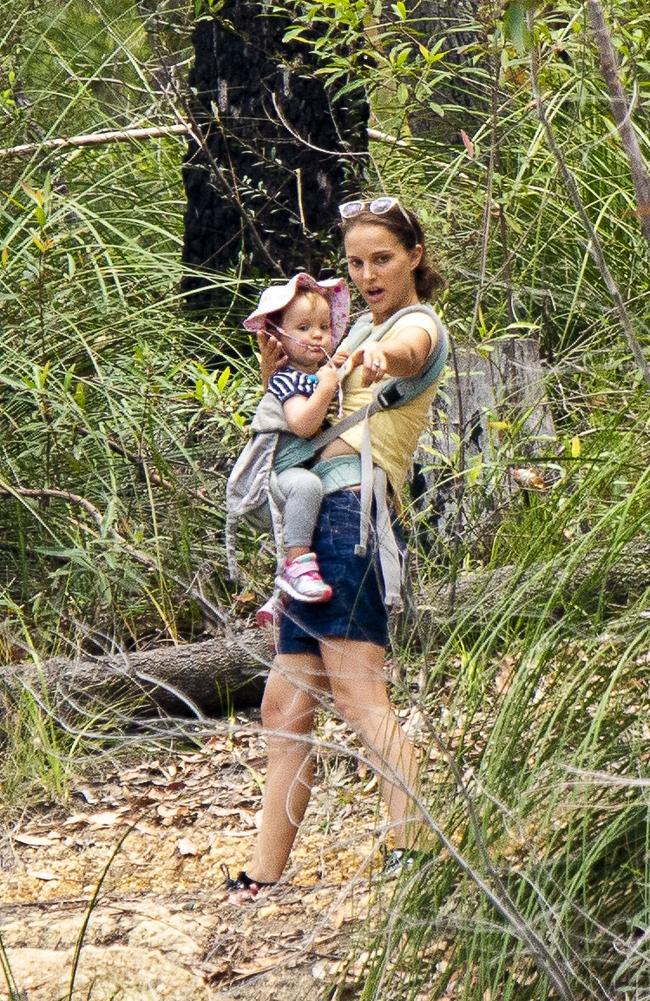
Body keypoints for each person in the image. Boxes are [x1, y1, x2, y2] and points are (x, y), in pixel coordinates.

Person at [224, 196, 446, 902]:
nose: (369, 272)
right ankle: (263, 875)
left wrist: (375, 353)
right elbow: (301, 423)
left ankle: (414, 852)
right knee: (285, 708)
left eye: (382, 257)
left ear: (413, 254)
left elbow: (407, 352)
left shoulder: (413, 326)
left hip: (353, 517)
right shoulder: (348, 334)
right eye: (356, 262)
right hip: (312, 532)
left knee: (360, 695)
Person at [227, 273, 350, 613]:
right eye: (303, 328)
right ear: (278, 337)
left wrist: (333, 373)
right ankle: (296, 566)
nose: (316, 335)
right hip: (272, 481)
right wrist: (327, 386)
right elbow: (304, 424)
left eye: (324, 327)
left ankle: (281, 598)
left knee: (313, 508)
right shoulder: (284, 380)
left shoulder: (312, 375)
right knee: (308, 486)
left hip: (289, 475)